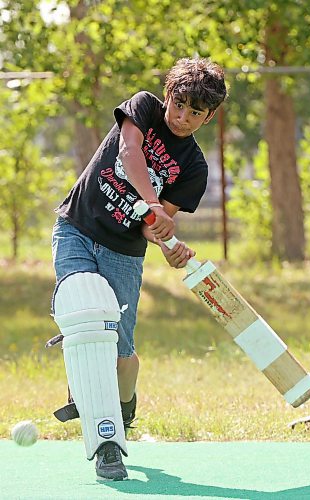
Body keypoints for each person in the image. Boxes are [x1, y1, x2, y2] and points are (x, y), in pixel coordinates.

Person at [51, 57, 227, 481]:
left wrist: (167, 241)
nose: (182, 117)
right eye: (178, 104)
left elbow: (155, 225)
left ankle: (123, 405)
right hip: (76, 226)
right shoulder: (144, 108)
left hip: (123, 253)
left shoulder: (194, 168)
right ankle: (107, 439)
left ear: (210, 116)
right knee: (84, 321)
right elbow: (130, 153)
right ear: (167, 95)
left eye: (195, 112)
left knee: (119, 350)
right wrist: (152, 206)